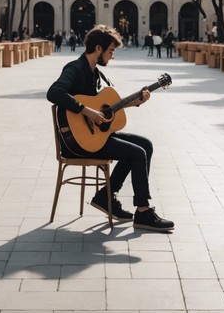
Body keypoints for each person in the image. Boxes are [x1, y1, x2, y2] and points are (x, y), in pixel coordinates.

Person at [46, 24, 174, 232]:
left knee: (145, 145)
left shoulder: (97, 74)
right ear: (98, 48)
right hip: (76, 143)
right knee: (136, 153)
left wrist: (135, 102)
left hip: (96, 137)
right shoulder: (74, 68)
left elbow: (108, 108)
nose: (112, 56)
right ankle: (143, 211)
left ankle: (106, 197)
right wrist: (87, 112)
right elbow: (54, 93)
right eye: (111, 51)